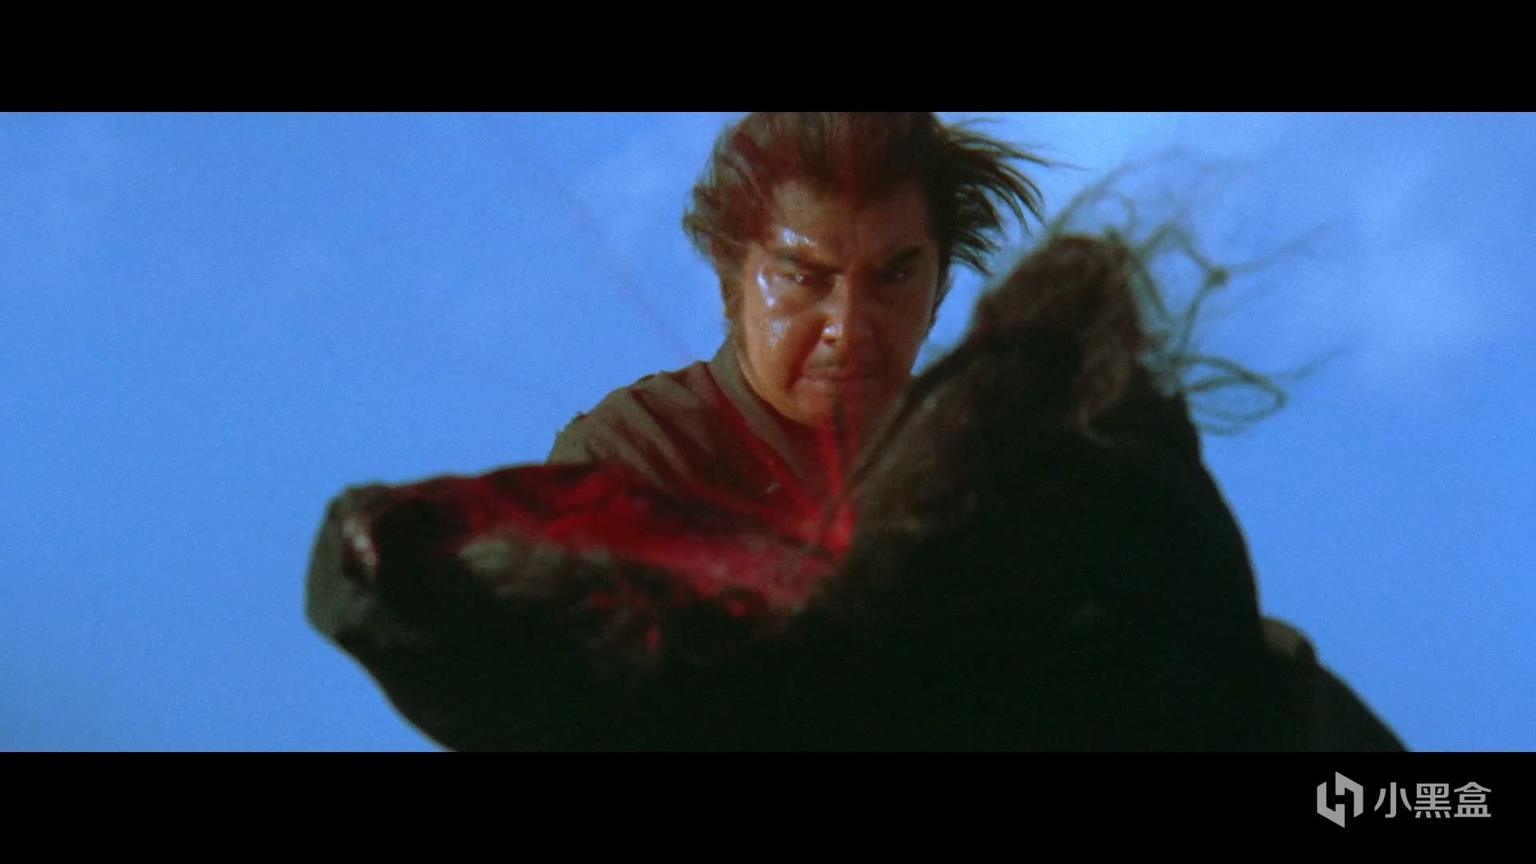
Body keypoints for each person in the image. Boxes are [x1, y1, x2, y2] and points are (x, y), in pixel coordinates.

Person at [307, 112, 1405, 751]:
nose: (849, 325)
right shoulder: (642, 449)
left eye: (894, 276)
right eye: (803, 277)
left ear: (940, 282)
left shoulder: (1006, 462)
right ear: (734, 278)